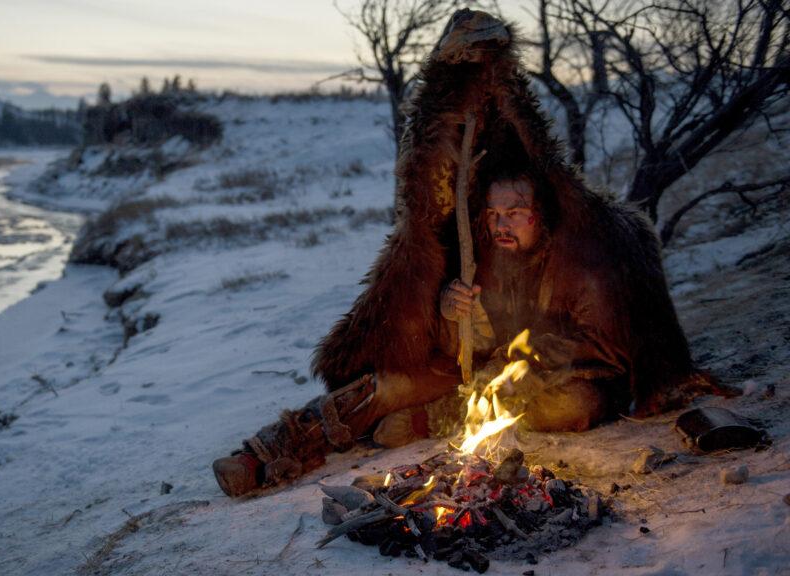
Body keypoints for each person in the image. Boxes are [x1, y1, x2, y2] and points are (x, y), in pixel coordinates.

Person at [212, 8, 725, 498]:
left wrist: (518, 359)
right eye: (494, 214)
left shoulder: (583, 257)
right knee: (383, 385)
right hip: (473, 374)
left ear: (540, 213)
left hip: (553, 384)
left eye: (516, 212)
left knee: (572, 405)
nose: (501, 224)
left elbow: (606, 350)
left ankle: (431, 421)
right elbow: (447, 344)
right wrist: (450, 313)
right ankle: (269, 454)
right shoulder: (481, 249)